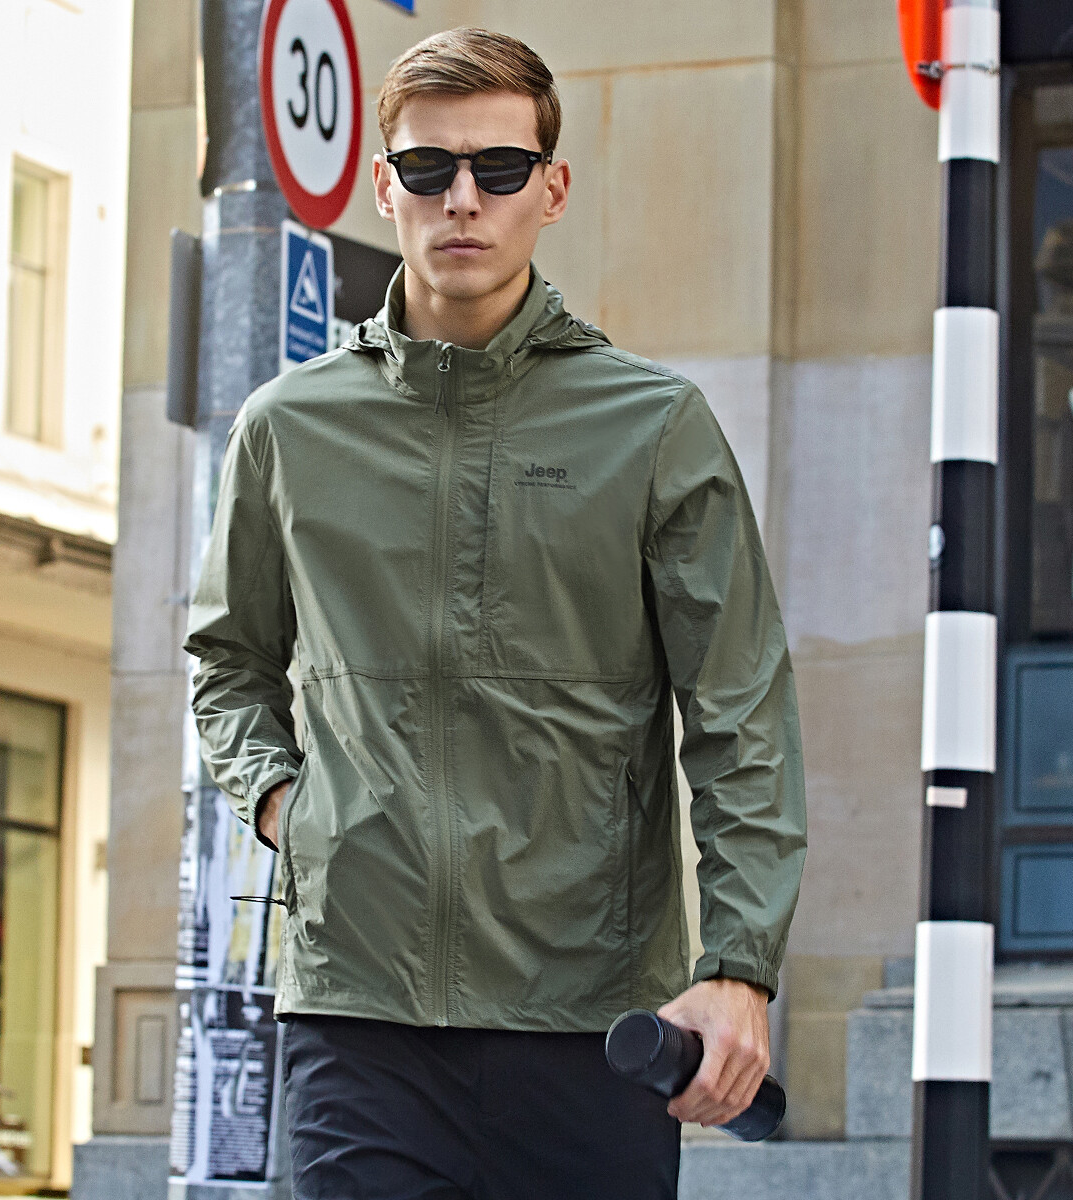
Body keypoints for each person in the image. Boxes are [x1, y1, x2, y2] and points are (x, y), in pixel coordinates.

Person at [184, 26, 806, 1200]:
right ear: (386, 186)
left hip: (590, 1020)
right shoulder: (288, 429)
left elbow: (741, 711)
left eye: (500, 168)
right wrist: (285, 805)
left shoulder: (653, 428)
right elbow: (228, 661)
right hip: (358, 1014)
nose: (462, 198)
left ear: (550, 190)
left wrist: (738, 963)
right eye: (429, 168)